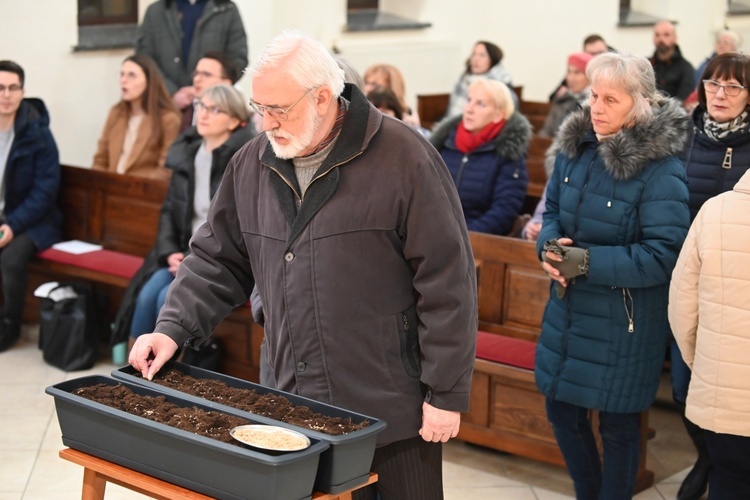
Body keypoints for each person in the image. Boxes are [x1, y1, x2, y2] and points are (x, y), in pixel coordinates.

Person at [129, 30, 478, 500]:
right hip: (289, 398)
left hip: (390, 404)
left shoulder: (404, 158)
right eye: (259, 108)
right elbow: (216, 258)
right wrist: (171, 328)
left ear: (322, 97)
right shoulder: (252, 162)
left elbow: (448, 283)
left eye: (278, 109)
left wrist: (446, 393)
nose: (266, 123)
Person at [535, 52, 690, 499]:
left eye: (611, 99)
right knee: (562, 412)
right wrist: (548, 248)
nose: (596, 108)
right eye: (593, 95)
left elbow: (663, 255)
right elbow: (554, 216)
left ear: (639, 104)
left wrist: (585, 262)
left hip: (625, 322)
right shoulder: (574, 151)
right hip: (569, 312)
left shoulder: (662, 170)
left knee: (620, 426)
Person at [113, 83, 255, 352]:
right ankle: (133, 368)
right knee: (145, 296)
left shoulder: (240, 161)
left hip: (214, 259)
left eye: (215, 109)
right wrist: (170, 253)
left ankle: (168, 378)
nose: (203, 114)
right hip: (180, 252)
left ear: (235, 120)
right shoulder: (187, 156)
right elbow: (169, 211)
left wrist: (195, 259)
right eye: (201, 106)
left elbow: (237, 228)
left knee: (165, 300)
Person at [671, 51, 750, 500]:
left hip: (732, 281)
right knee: (686, 385)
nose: (720, 95)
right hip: (684, 270)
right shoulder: (683, 134)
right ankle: (707, 450)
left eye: (733, 87)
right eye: (713, 85)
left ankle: (716, 459)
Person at [0, 60, 62, 351]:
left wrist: (12, 225)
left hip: (34, 220)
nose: (6, 95)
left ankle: (10, 324)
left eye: (13, 88)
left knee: (10, 259)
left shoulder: (38, 132)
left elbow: (45, 191)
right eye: (0, 88)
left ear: (22, 92)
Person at [430, 78, 530, 236]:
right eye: (469, 100)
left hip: (475, 241)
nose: (469, 109)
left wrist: (462, 237)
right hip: (432, 232)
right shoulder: (445, 143)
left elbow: (504, 211)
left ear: (498, 115)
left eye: (480, 104)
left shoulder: (508, 155)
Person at [135, 0, 248, 108]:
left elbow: (238, 59)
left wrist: (208, 88)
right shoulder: (156, 11)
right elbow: (145, 59)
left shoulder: (226, 9)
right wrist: (171, 92)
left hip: (214, 105)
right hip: (165, 105)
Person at [91, 55, 181, 179]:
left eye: (131, 75)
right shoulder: (116, 113)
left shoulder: (168, 119)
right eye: (122, 74)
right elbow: (101, 159)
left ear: (149, 81)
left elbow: (165, 169)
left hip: (143, 192)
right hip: (110, 188)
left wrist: (135, 189)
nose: (123, 80)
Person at [445, 41, 517, 118]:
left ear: (493, 60)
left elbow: (508, 114)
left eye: (482, 55)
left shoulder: (500, 86)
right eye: (474, 54)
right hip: (455, 126)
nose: (476, 59)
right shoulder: (463, 80)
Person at [180, 50, 240, 132]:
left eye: (206, 75)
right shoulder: (181, 112)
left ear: (226, 83)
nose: (197, 79)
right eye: (196, 73)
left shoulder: (239, 121)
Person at [540, 52, 594, 138]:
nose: (571, 78)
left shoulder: (593, 103)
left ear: (589, 76)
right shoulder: (562, 99)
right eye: (569, 72)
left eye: (577, 73)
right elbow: (547, 131)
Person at [549, 34, 612, 102]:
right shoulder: (575, 74)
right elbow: (553, 98)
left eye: (600, 53)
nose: (597, 58)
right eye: (591, 54)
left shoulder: (615, 71)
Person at [649, 20, 695, 100]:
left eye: (666, 35)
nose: (661, 39)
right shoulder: (647, 65)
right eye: (657, 35)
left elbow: (682, 101)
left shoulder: (686, 69)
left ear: (675, 38)